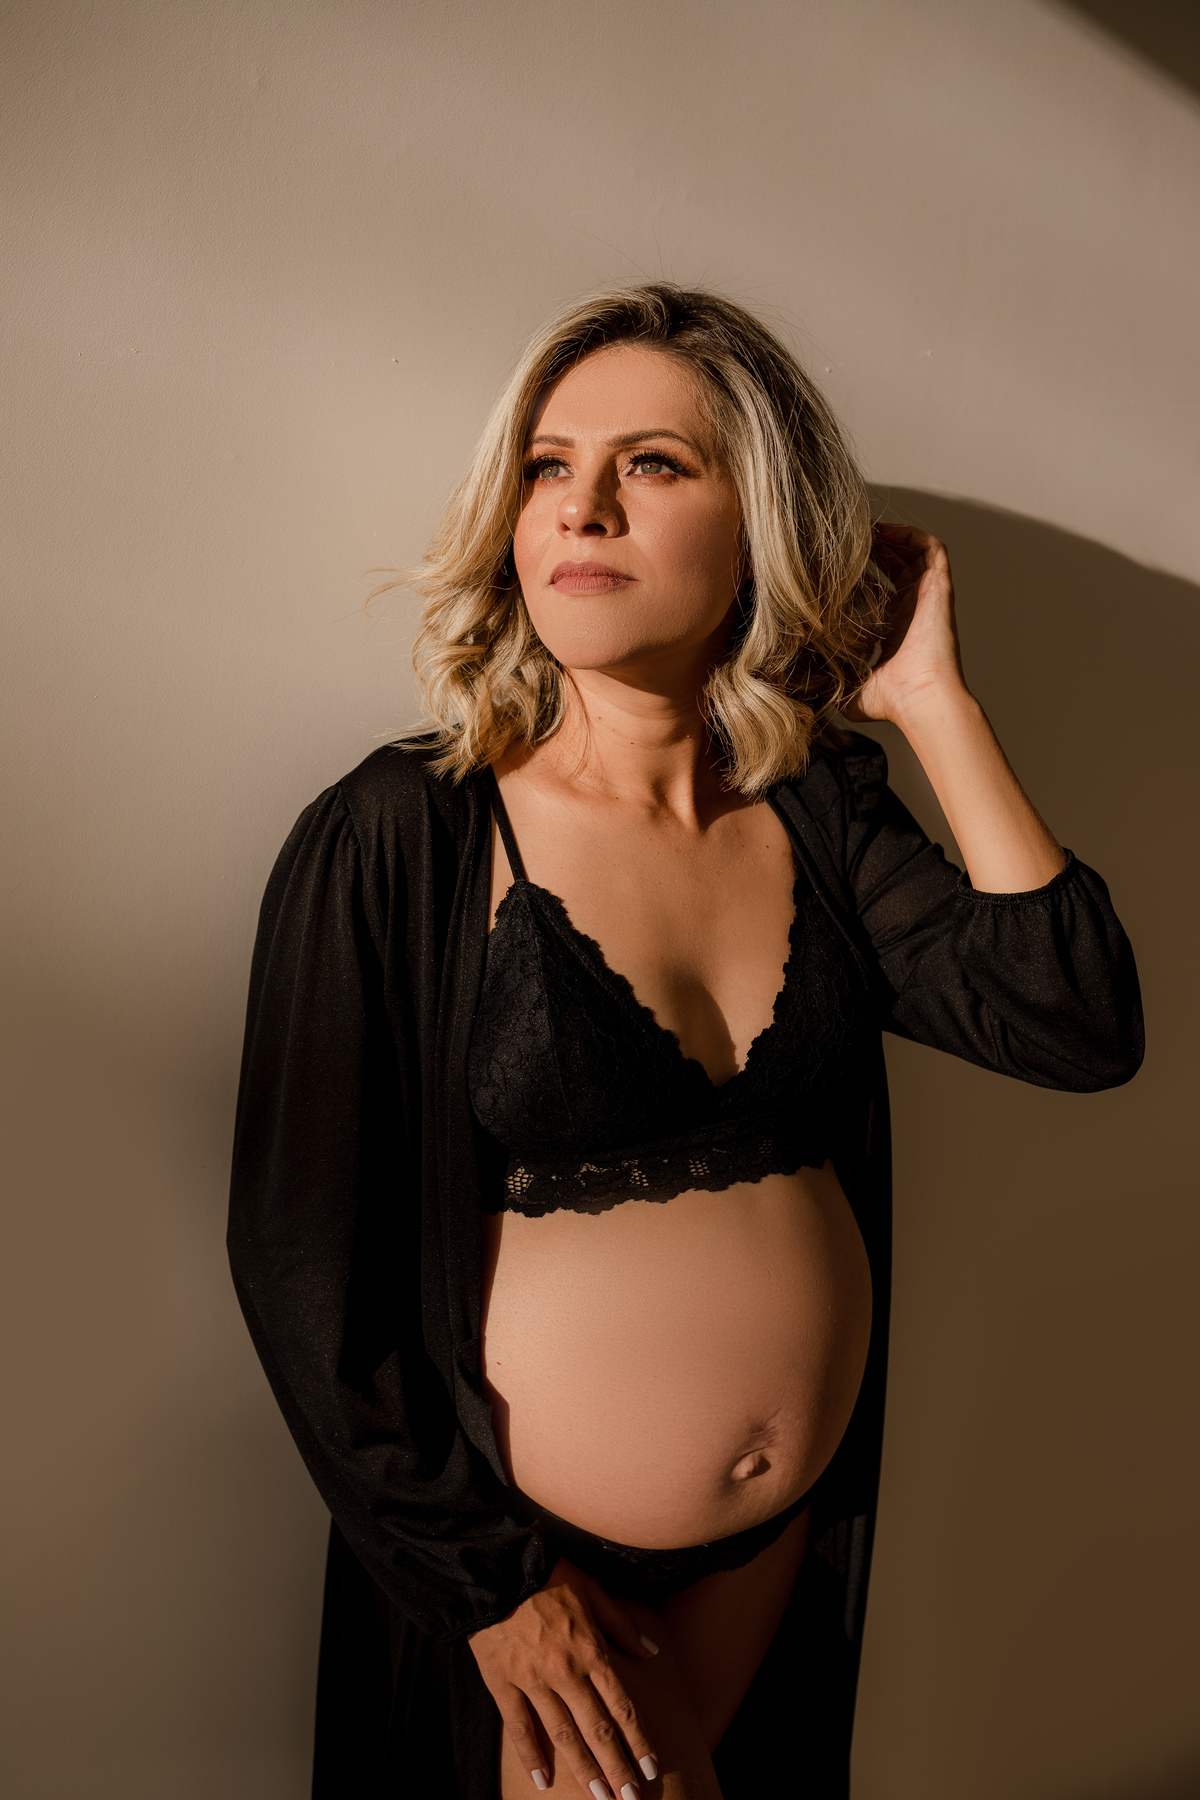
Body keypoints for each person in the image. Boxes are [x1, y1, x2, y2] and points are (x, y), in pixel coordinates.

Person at [227, 284, 1143, 1799]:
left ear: (760, 523)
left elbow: (1074, 1021)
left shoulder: (818, 812)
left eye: (652, 463)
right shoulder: (403, 835)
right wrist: (490, 1589)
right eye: (548, 465)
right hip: (534, 1567)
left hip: (776, 1555)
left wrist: (931, 702)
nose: (581, 506)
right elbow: (301, 1263)